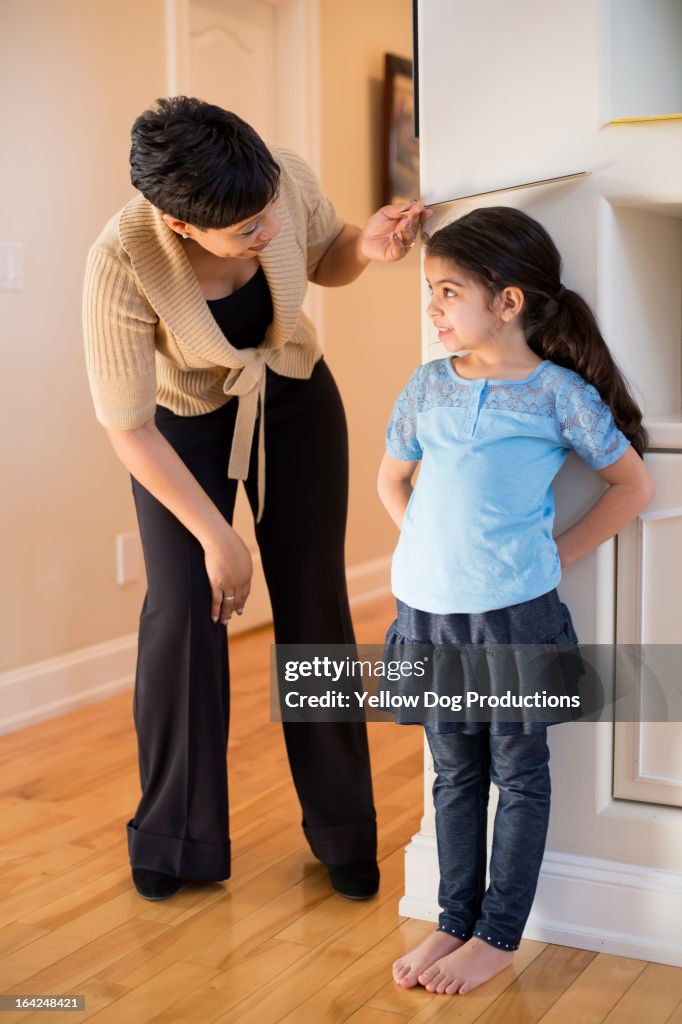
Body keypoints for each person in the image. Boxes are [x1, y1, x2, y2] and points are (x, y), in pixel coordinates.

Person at [82, 96, 430, 902]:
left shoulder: (280, 178)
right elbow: (129, 429)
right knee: (181, 610)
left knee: (315, 605)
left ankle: (343, 828)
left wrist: (366, 248)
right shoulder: (121, 258)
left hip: (296, 395)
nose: (265, 231)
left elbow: (326, 252)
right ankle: (175, 837)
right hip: (179, 425)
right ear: (178, 223)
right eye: (243, 231)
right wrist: (217, 538)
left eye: (267, 210)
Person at [377, 206, 654, 995]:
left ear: (509, 301)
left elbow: (632, 486)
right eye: (429, 289)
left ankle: (499, 934)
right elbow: (391, 481)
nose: (432, 307)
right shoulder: (426, 385)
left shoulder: (557, 395)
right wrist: (427, 548)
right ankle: (452, 923)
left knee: (518, 772)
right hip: (426, 614)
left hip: (513, 615)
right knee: (452, 776)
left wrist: (553, 555)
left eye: (449, 290)